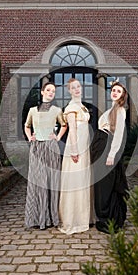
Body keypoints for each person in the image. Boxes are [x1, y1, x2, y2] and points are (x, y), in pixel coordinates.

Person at [24, 82, 67, 230]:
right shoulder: (32, 111)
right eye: (48, 90)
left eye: (53, 91)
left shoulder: (57, 110)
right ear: (42, 92)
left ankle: (51, 217)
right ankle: (37, 218)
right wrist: (30, 138)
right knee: (37, 181)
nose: (51, 93)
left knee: (51, 181)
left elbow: (64, 125)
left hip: (51, 147)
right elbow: (27, 125)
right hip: (37, 148)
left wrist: (58, 137)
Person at [90, 81, 129, 234]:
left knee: (106, 185)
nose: (114, 92)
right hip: (100, 146)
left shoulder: (120, 111)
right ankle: (104, 218)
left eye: (118, 91)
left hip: (107, 148)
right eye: (113, 90)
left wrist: (112, 154)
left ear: (122, 95)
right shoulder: (111, 109)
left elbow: (118, 134)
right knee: (100, 184)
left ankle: (109, 219)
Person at [58, 78, 92, 235]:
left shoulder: (82, 106)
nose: (77, 89)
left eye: (79, 86)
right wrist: (74, 150)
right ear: (69, 91)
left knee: (83, 181)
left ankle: (83, 217)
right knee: (75, 182)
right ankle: (72, 220)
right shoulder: (71, 107)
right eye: (74, 87)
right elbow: (72, 130)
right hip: (76, 149)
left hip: (85, 149)